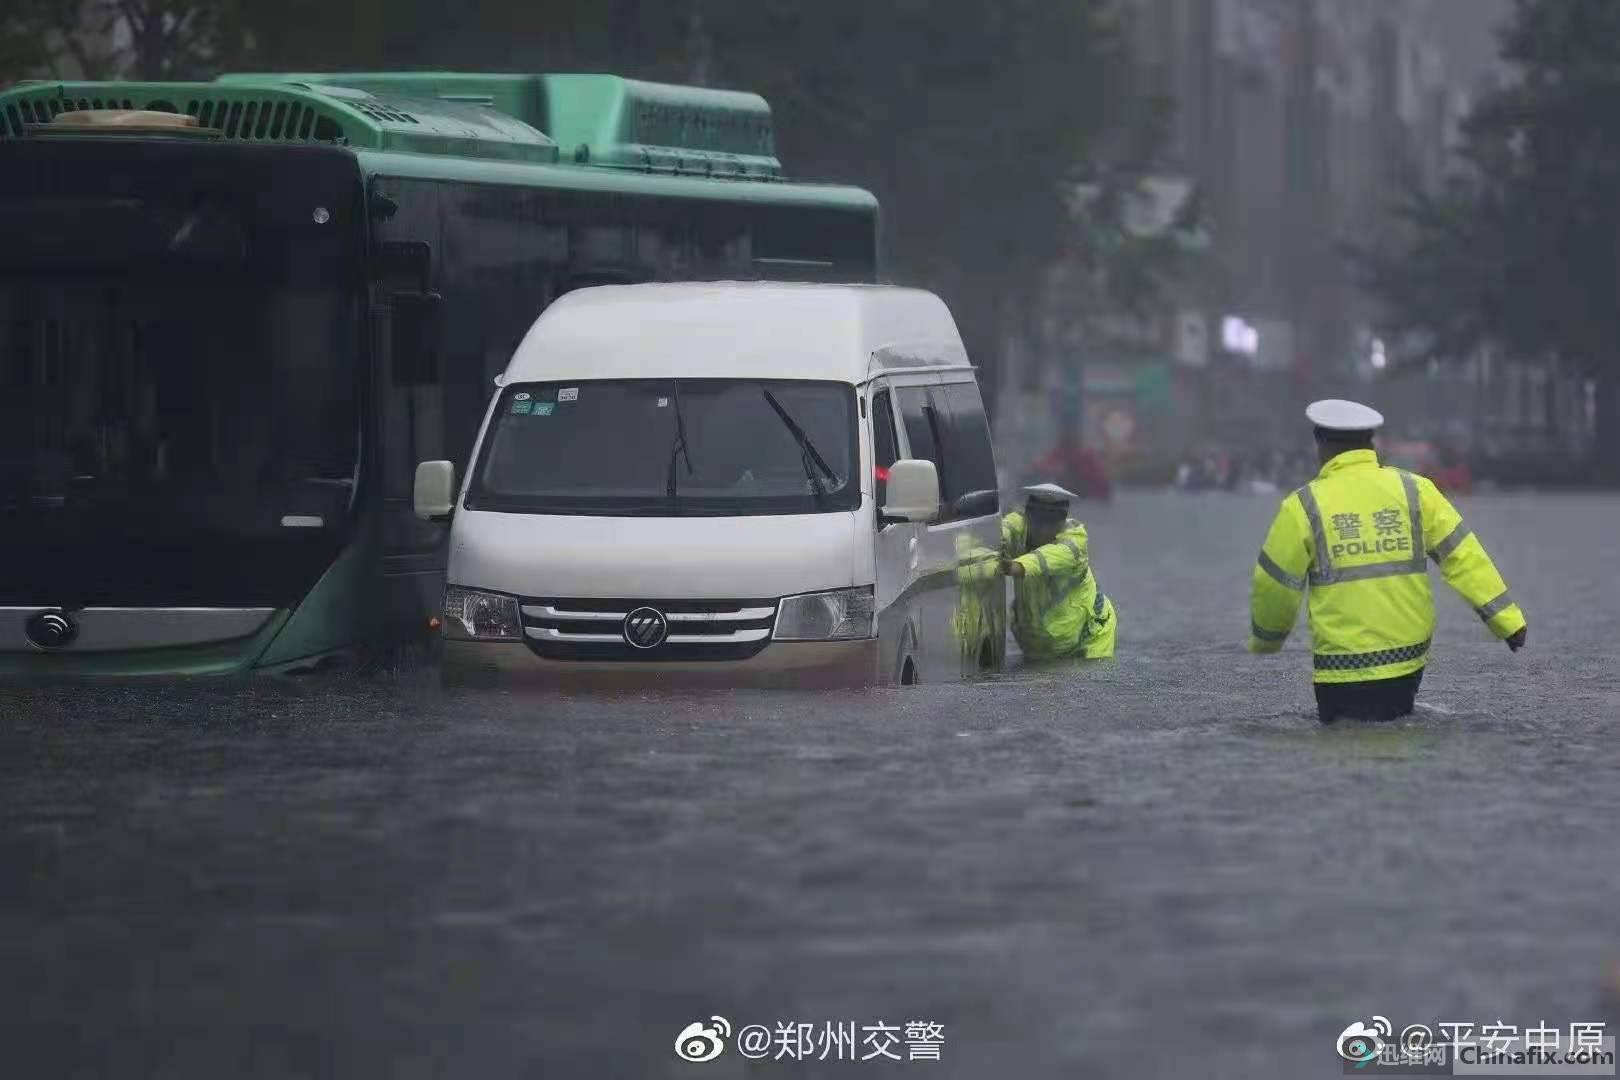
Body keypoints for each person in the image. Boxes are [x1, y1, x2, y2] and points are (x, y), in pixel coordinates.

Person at [1248, 399, 1527, 723]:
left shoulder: (1302, 506)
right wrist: (1507, 622)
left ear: (1320, 444)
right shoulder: (1416, 491)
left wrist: (1267, 641)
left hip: (1341, 668)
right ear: (1371, 442)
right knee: (1398, 730)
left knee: (1342, 746)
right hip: (1408, 660)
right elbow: (1464, 557)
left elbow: (1275, 585)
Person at [997, 483, 1116, 661]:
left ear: (1061, 523)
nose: (1043, 530)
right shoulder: (1019, 526)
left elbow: (1044, 559)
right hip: (1040, 644)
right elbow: (997, 532)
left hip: (1087, 640)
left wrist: (1010, 566)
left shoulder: (1075, 543)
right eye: (1037, 522)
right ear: (1028, 517)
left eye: (1050, 524)